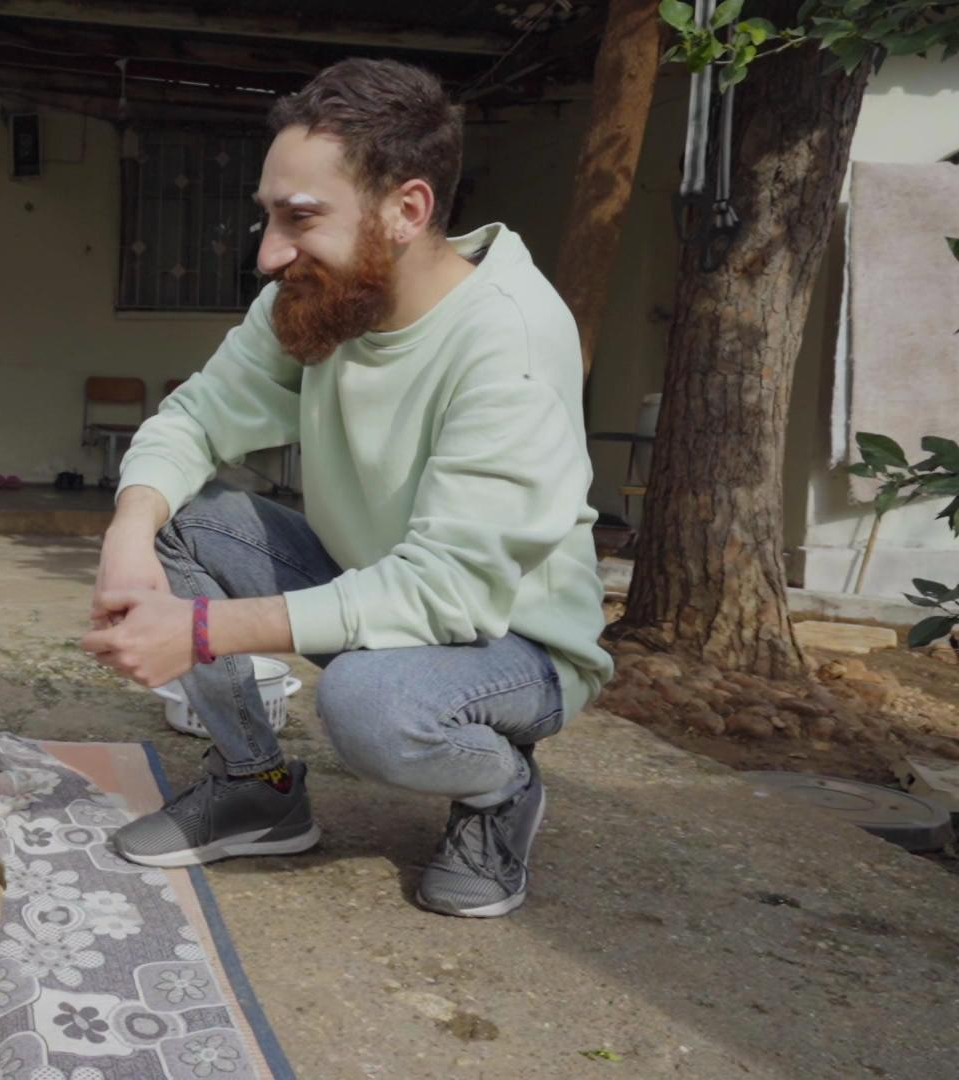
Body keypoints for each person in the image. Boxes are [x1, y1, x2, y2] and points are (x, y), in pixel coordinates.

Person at [82, 59, 613, 918]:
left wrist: (205, 630)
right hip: (379, 593)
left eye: (300, 219)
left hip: (514, 643)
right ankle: (258, 785)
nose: (268, 255)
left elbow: (449, 589)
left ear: (406, 211)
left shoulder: (507, 339)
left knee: (368, 706)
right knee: (186, 521)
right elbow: (194, 419)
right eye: (268, 218)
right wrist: (128, 535)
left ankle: (501, 786)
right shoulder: (325, 294)